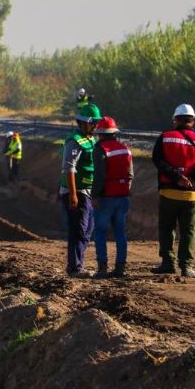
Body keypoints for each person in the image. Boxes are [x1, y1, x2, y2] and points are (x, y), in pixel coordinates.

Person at [151, 104, 195, 278]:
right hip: (191, 195)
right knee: (188, 231)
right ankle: (186, 266)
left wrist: (176, 177)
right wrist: (191, 180)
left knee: (166, 228)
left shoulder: (165, 137)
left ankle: (167, 263)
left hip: (168, 193)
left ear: (176, 120)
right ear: (192, 121)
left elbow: (158, 160)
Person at [59, 103, 102, 278]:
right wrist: (73, 194)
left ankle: (78, 264)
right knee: (78, 230)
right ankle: (75, 268)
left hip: (87, 191)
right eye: (93, 123)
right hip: (76, 192)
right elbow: (69, 168)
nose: (96, 126)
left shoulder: (90, 139)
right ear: (84, 122)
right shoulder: (74, 140)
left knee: (87, 229)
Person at [91, 116, 133, 278]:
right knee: (120, 233)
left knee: (100, 232)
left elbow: (99, 176)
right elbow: (130, 174)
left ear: (100, 134)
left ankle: (102, 268)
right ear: (114, 132)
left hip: (106, 197)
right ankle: (120, 268)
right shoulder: (125, 149)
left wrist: (95, 196)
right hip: (122, 196)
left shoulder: (100, 149)